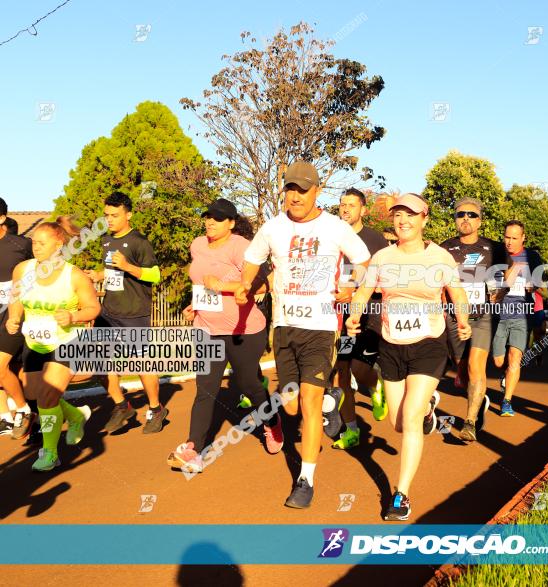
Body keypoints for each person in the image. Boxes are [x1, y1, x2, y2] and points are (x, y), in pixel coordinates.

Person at [235, 161, 370, 509]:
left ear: (317, 191)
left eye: (302, 189)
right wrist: (244, 285)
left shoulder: (335, 227)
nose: (294, 196)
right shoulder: (272, 228)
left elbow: (364, 260)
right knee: (292, 405)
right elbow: (252, 259)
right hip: (284, 327)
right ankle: (331, 399)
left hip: (322, 328)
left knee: (307, 406)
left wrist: (350, 286)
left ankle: (305, 480)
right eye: (290, 189)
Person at [346, 192, 471, 521]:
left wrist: (462, 319)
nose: (403, 220)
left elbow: (457, 292)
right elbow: (362, 291)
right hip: (391, 344)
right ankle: (429, 410)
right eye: (398, 215)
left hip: (429, 342)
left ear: (424, 219)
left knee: (411, 417)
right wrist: (354, 315)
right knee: (397, 423)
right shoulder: (383, 258)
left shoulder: (440, 257)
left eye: (410, 215)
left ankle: (400, 495)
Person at [166, 199, 283, 473]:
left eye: (217, 219)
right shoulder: (197, 244)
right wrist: (194, 305)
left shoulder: (241, 247)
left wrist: (221, 285)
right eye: (207, 216)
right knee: (205, 389)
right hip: (206, 328)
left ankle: (271, 421)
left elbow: (264, 284)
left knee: (249, 385)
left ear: (231, 223)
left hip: (243, 330)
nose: (210, 222)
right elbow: (200, 283)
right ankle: (193, 449)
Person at [5, 222, 101, 470]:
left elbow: (93, 308)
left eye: (41, 243)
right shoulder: (22, 270)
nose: (35, 247)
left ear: (59, 245)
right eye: (34, 242)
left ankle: (49, 452)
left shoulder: (74, 276)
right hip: (35, 342)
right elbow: (16, 297)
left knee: (47, 399)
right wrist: (14, 317)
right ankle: (75, 415)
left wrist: (73, 317)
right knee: (35, 396)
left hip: (68, 341)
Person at [83, 192, 166, 434]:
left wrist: (128, 266)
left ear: (128, 214)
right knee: (98, 362)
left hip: (133, 313)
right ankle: (122, 406)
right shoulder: (107, 241)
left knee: (142, 364)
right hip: (108, 312)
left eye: (115, 215)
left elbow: (155, 275)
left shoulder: (139, 241)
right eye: (106, 215)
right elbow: (113, 273)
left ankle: (156, 408)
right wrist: (99, 275)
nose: (109, 220)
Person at [440, 197, 505, 443]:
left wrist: (498, 292)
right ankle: (480, 402)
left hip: (482, 315)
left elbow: (504, 281)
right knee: (462, 368)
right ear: (455, 219)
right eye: (460, 214)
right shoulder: (444, 248)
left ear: (480, 220)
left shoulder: (494, 248)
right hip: (455, 317)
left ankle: (469, 423)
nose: (465, 218)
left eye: (471, 215)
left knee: (476, 366)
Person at [329, 187, 390, 451]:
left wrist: (354, 290)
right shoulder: (330, 237)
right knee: (341, 370)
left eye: (351, 205)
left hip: (369, 315)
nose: (345, 209)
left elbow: (385, 282)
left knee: (358, 369)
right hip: (339, 317)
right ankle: (351, 430)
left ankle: (376, 387)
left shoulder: (375, 240)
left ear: (363, 210)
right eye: (342, 204)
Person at [491, 220, 548, 417]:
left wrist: (534, 286)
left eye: (515, 238)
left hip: (521, 315)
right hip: (499, 314)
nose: (510, 242)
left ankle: (507, 401)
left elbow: (543, 288)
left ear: (523, 238)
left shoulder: (532, 257)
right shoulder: (497, 253)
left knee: (515, 358)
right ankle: (504, 374)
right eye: (507, 237)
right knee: (499, 362)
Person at [0, 198, 35, 438]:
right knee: (10, 368)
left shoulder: (21, 244)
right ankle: (6, 417)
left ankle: (23, 410)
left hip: (15, 314)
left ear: (2, 218)